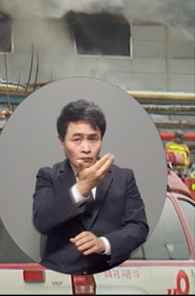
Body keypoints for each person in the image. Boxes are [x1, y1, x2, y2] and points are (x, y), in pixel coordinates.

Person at [32, 99, 149, 275]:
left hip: (111, 273)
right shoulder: (48, 176)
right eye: (77, 139)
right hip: (60, 274)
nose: (86, 148)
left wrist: (104, 243)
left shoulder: (124, 177)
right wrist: (80, 189)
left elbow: (139, 227)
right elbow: (42, 221)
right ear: (62, 141)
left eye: (93, 139)